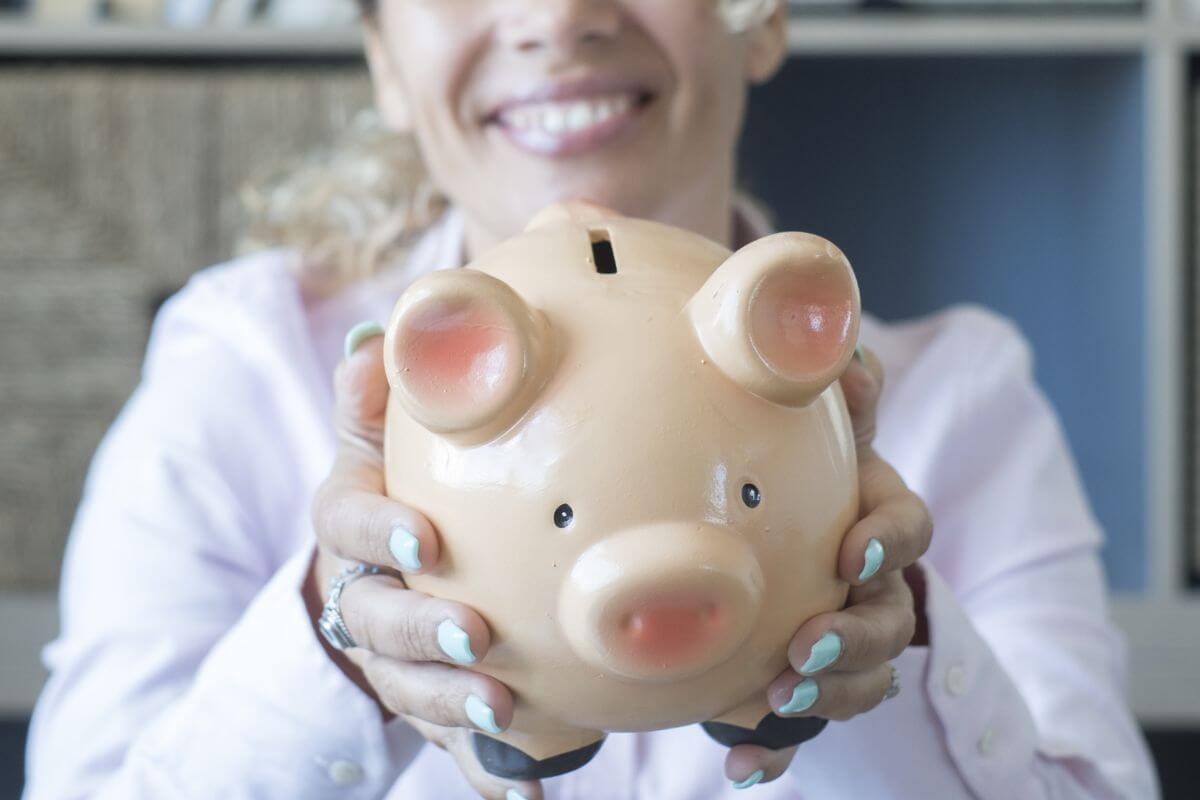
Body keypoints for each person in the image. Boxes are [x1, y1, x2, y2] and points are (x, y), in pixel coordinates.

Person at [23, 1, 1158, 798]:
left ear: (759, 15)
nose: (558, 16)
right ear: (382, 52)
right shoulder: (243, 362)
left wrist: (890, 643)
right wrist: (335, 639)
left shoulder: (965, 398)